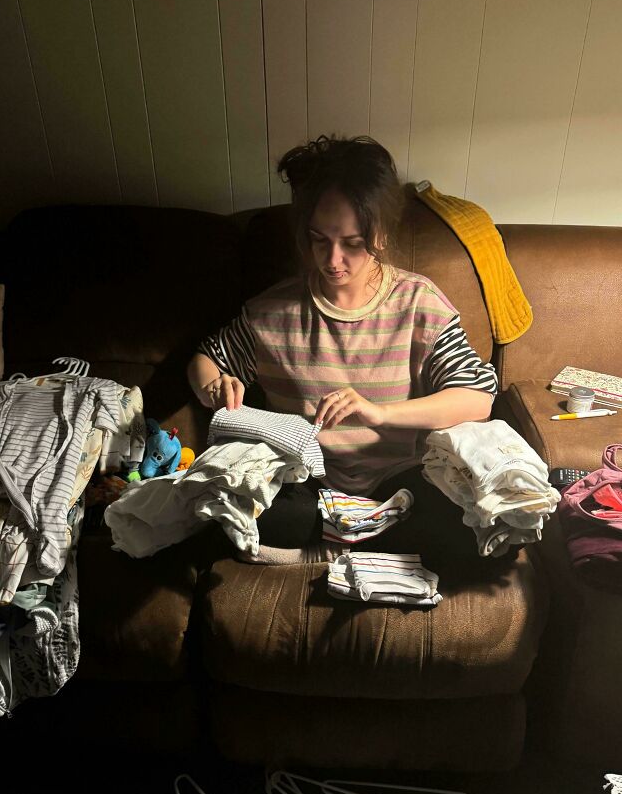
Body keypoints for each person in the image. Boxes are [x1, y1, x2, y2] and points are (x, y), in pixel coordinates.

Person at [187, 135, 501, 573]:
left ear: (382, 234)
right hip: (307, 483)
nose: (333, 260)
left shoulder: (417, 302)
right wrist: (213, 386)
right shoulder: (272, 312)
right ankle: (362, 541)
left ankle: (334, 545)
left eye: (352, 243)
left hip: (400, 481)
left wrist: (379, 413)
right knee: (228, 505)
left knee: (486, 523)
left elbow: (477, 397)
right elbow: (206, 358)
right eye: (319, 241)